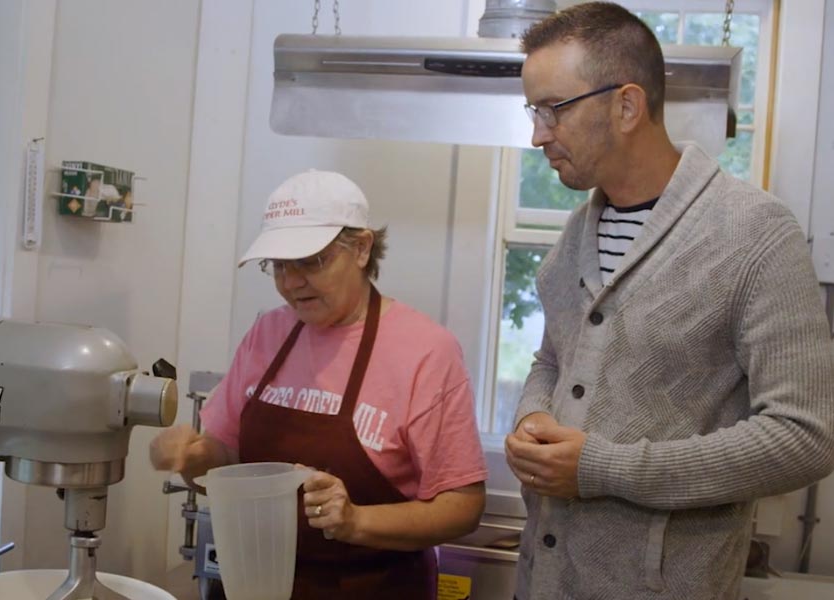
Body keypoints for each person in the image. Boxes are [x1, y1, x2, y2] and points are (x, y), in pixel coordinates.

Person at [504, 3, 834, 600]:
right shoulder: (576, 235)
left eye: (555, 108)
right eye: (533, 110)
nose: (538, 134)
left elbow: (805, 437)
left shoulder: (756, 235)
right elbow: (552, 360)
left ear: (627, 105)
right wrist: (532, 417)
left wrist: (602, 469)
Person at [151, 169, 487, 599]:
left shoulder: (426, 351)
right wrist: (195, 457)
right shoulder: (267, 334)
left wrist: (355, 521)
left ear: (362, 248)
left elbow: (462, 507)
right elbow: (228, 459)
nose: (290, 284)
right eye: (278, 266)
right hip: (253, 584)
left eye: (310, 261)